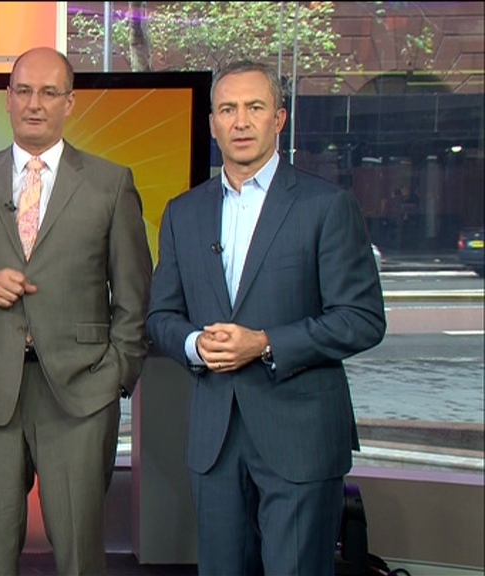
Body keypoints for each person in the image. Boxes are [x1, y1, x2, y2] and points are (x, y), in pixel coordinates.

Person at [146, 60, 386, 575]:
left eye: (254, 108)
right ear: (212, 123)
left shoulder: (326, 206)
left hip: (301, 437)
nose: (240, 121)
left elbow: (362, 318)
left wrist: (265, 343)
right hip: (215, 439)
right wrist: (194, 345)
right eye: (227, 109)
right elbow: (161, 315)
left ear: (279, 118)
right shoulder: (183, 212)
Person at [0, 47, 151, 575]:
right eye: (24, 91)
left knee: (79, 554)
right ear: (7, 99)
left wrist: (116, 376)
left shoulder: (111, 183)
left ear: (69, 103)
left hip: (80, 393)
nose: (34, 104)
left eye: (49, 93)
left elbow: (135, 293)